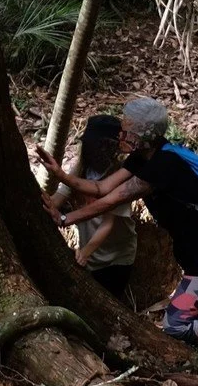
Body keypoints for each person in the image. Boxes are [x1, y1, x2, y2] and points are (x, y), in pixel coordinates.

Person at [37, 97, 198, 364]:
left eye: (127, 131)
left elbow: (109, 201)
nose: (121, 136)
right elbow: (101, 188)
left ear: (144, 136)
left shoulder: (163, 166)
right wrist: (60, 174)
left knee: (177, 324)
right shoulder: (142, 157)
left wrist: (64, 218)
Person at [44, 114, 137, 297]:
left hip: (116, 258)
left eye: (103, 145)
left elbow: (108, 224)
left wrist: (85, 253)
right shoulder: (81, 169)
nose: (98, 150)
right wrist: (47, 203)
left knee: (110, 299)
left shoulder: (120, 177)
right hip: (91, 255)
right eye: (94, 144)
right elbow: (60, 196)